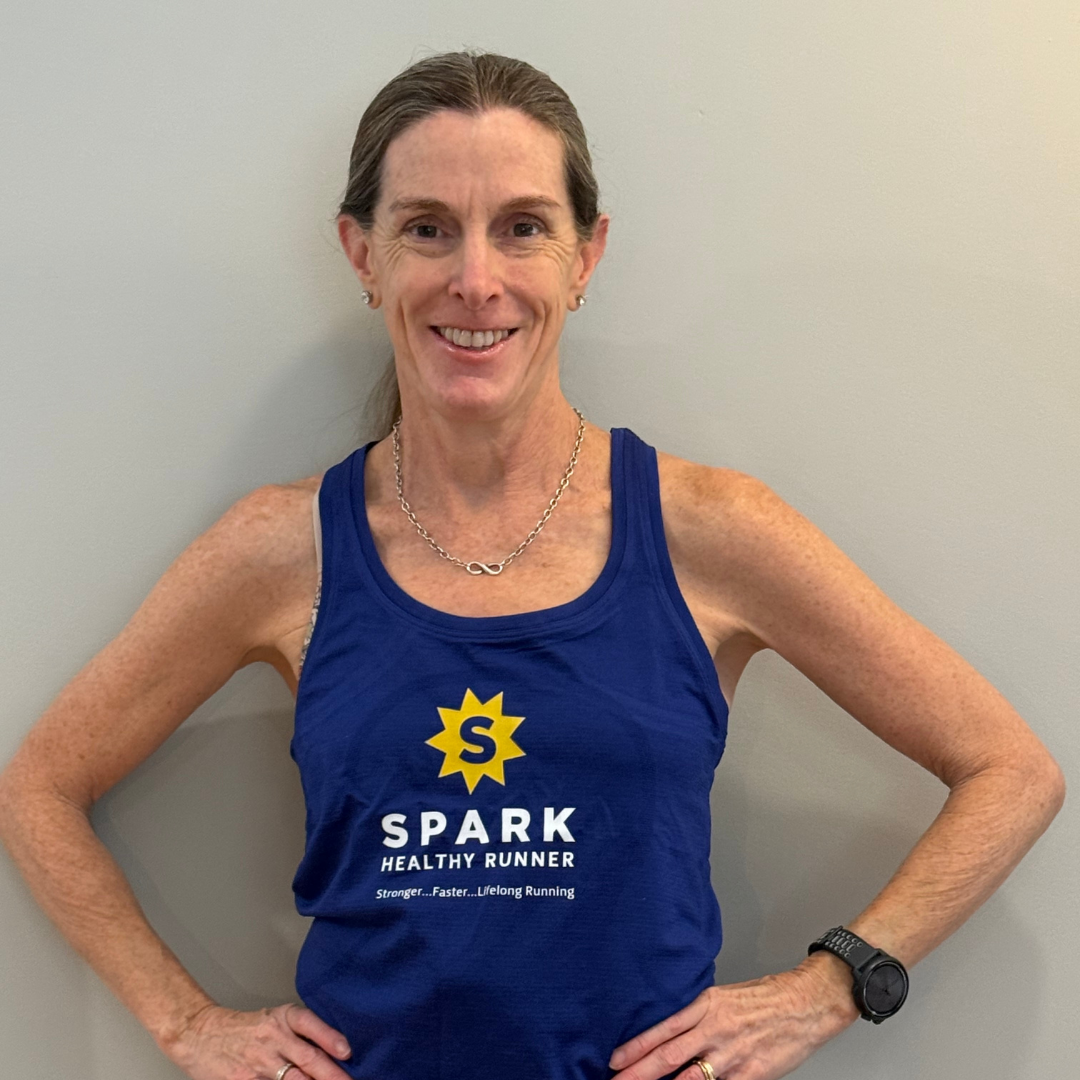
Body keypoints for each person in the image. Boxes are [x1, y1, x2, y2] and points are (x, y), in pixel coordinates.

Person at [0, 48, 1065, 1080]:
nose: (476, 281)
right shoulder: (285, 548)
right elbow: (40, 787)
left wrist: (831, 986)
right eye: (427, 228)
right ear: (363, 255)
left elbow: (1012, 772)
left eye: (522, 228)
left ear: (584, 257)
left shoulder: (709, 530)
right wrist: (186, 1025)